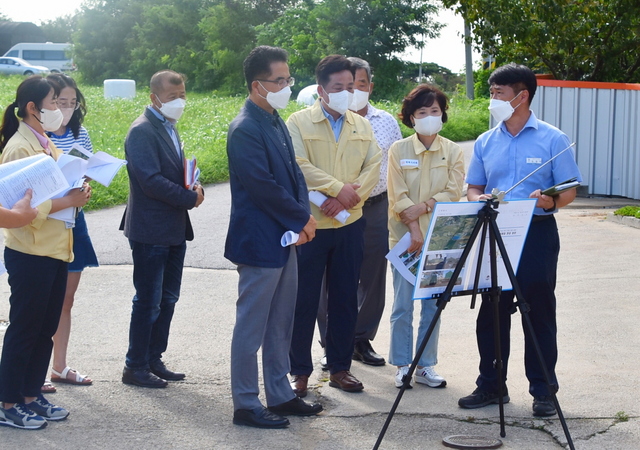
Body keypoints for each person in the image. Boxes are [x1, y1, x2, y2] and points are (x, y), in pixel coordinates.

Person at [459, 63, 582, 417]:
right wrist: (474, 200)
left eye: (498, 93)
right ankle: (492, 385)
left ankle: (544, 390)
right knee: (492, 310)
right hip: (495, 232)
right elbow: (474, 186)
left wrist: (551, 201)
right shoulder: (485, 140)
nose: (492, 99)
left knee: (537, 310)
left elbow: (569, 188)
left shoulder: (552, 139)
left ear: (522, 96)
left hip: (537, 233)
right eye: (491, 92)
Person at [226, 46, 323, 429]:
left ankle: (280, 394)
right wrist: (302, 218)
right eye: (278, 81)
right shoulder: (245, 127)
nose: (286, 86)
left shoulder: (273, 118)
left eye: (288, 79)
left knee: (280, 323)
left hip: (286, 236)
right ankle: (246, 402)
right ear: (257, 85)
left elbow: (295, 174)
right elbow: (262, 186)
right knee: (251, 327)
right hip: (259, 241)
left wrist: (303, 218)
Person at [0, 76, 91, 429]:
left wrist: (76, 190)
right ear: (33, 108)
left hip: (55, 249)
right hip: (31, 252)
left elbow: (49, 189)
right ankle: (8, 401)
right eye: (53, 102)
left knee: (44, 328)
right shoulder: (19, 147)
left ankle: (29, 394)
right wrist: (67, 200)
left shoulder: (44, 141)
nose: (59, 109)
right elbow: (18, 208)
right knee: (25, 328)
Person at [286, 55, 381, 396]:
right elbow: (297, 164)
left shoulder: (362, 125)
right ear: (322, 90)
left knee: (344, 298)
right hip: (311, 225)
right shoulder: (298, 122)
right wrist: (337, 189)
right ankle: (298, 371)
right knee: (304, 300)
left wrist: (345, 198)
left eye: (351, 87)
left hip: (350, 223)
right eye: (339, 87)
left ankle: (340, 367)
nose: (347, 93)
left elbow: (373, 166)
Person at [120, 70, 205, 388]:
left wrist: (194, 186)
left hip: (172, 228)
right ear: (153, 98)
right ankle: (135, 365)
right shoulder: (142, 130)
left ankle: (154, 357)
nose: (180, 102)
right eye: (173, 97)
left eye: (182, 95)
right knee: (148, 300)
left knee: (168, 298)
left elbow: (174, 171)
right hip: (150, 230)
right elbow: (150, 181)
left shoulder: (168, 126)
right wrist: (188, 198)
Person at [316, 57, 403, 367]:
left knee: (372, 275)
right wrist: (339, 197)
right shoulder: (322, 120)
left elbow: (389, 168)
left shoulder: (386, 122)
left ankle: (360, 339)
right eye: (345, 86)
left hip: (376, 207)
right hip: (329, 208)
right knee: (329, 276)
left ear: (369, 86)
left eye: (359, 85)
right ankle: (331, 343)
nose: (353, 92)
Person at [387, 84, 465, 389]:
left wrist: (426, 206)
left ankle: (425, 365)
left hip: (441, 239)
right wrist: (415, 228)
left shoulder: (453, 150)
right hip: (406, 240)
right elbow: (397, 195)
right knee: (403, 304)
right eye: (422, 111)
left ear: (442, 114)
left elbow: (453, 191)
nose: (430, 116)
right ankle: (402, 364)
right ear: (411, 117)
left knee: (433, 303)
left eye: (435, 111)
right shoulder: (399, 150)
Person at [43, 73, 98, 392]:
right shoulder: (35, 137)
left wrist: (85, 186)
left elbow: (84, 172)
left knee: (66, 299)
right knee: (41, 300)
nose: (66, 107)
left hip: (74, 221)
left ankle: (59, 366)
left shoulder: (80, 133)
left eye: (72, 102)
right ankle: (32, 372)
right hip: (44, 224)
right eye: (60, 102)